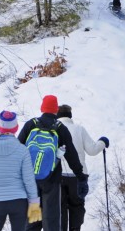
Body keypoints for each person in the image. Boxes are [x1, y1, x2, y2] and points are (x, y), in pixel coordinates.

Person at [18, 95, 89, 231]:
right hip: (51, 179)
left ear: (42, 108)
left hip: (30, 178)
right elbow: (72, 155)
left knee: (32, 220)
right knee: (51, 220)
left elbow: (17, 149)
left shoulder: (30, 124)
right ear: (56, 110)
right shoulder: (60, 128)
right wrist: (81, 176)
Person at [57, 105, 109, 231]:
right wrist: (103, 142)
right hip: (78, 176)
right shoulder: (79, 129)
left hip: (58, 176)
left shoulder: (54, 130)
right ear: (70, 116)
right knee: (77, 205)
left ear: (57, 115)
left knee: (60, 208)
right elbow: (92, 150)